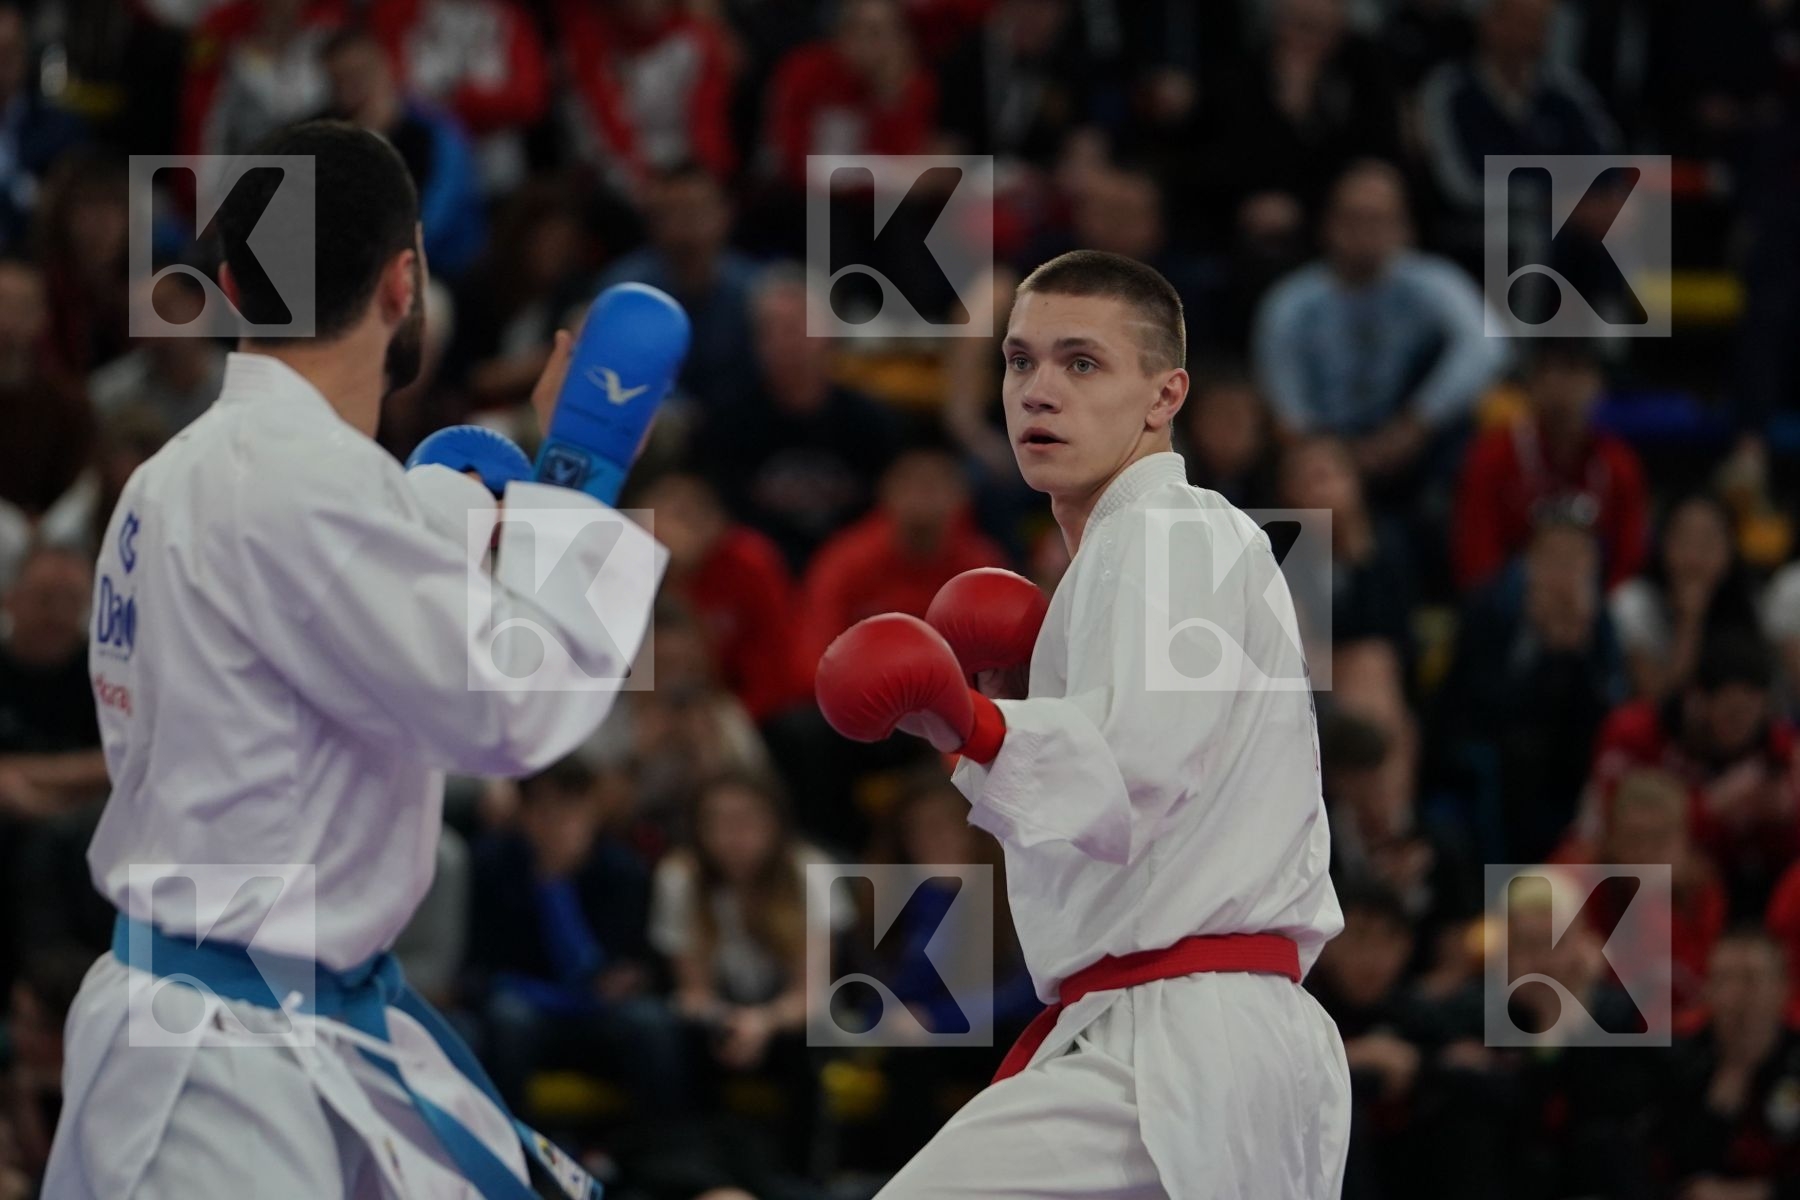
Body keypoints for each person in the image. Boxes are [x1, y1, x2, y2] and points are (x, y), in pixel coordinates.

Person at [43, 120, 667, 1199]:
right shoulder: (297, 483)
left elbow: (346, 590)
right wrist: (579, 486)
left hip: (275, 1023)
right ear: (404, 280)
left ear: (231, 283)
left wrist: (482, 495)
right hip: (223, 1066)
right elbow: (509, 708)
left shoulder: (186, 473)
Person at [815, 249, 1350, 1197]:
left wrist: (965, 722)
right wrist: (985, 720)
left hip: (1186, 1039)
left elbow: (1137, 768)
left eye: (1082, 363)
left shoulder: (1170, 527)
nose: (1039, 391)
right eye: (1020, 362)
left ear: (1164, 395)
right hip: (1183, 1031)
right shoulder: (1125, 556)